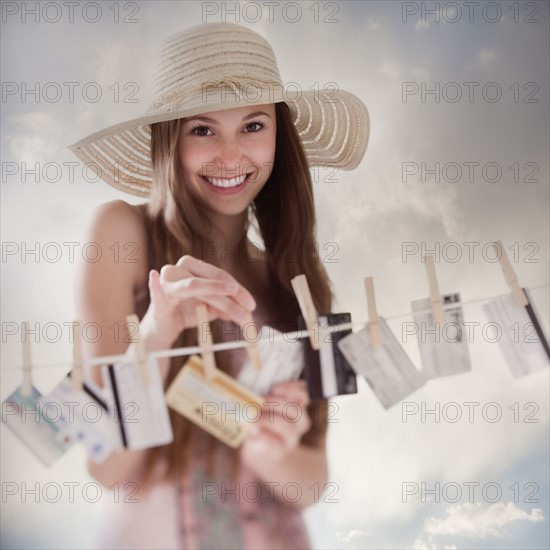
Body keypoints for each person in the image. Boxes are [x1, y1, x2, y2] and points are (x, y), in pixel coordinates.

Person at [70, 22, 369, 550]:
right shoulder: (122, 233)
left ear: (280, 134)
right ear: (169, 137)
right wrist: (159, 334)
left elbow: (311, 481)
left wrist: (271, 451)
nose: (231, 157)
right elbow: (107, 467)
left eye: (253, 125)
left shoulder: (296, 281)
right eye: (203, 130)